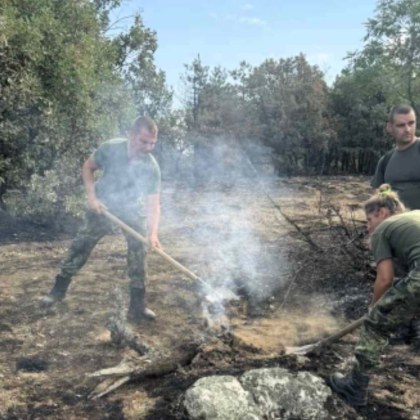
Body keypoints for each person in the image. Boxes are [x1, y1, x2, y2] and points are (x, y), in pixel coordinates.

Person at [42, 116, 161, 323]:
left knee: (139, 251)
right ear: (131, 136)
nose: (148, 147)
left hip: (131, 207)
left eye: (152, 143)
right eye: (144, 141)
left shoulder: (151, 167)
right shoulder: (111, 149)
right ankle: (57, 291)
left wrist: (152, 234)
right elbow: (88, 167)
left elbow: (153, 204)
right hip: (103, 204)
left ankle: (137, 306)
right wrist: (92, 197)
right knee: (82, 244)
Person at [329, 184, 420, 407]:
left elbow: (385, 279)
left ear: (381, 212)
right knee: (406, 287)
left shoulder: (384, 228)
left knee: (374, 325)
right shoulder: (414, 216)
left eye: (369, 220)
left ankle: (355, 388)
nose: (369, 228)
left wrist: (373, 309)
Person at [371, 104, 420, 210]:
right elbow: (377, 198)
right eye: (401, 125)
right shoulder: (385, 161)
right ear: (389, 127)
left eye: (411, 123)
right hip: (396, 223)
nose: (407, 129)